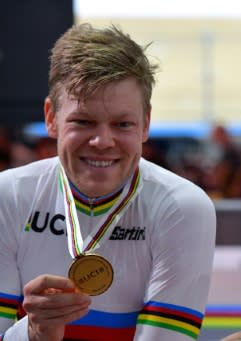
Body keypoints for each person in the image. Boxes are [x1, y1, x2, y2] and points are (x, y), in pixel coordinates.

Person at [0, 23, 216, 341]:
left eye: (122, 124)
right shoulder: (9, 196)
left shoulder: (182, 207)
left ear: (146, 125)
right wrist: (34, 333)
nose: (103, 141)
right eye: (83, 121)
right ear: (51, 117)